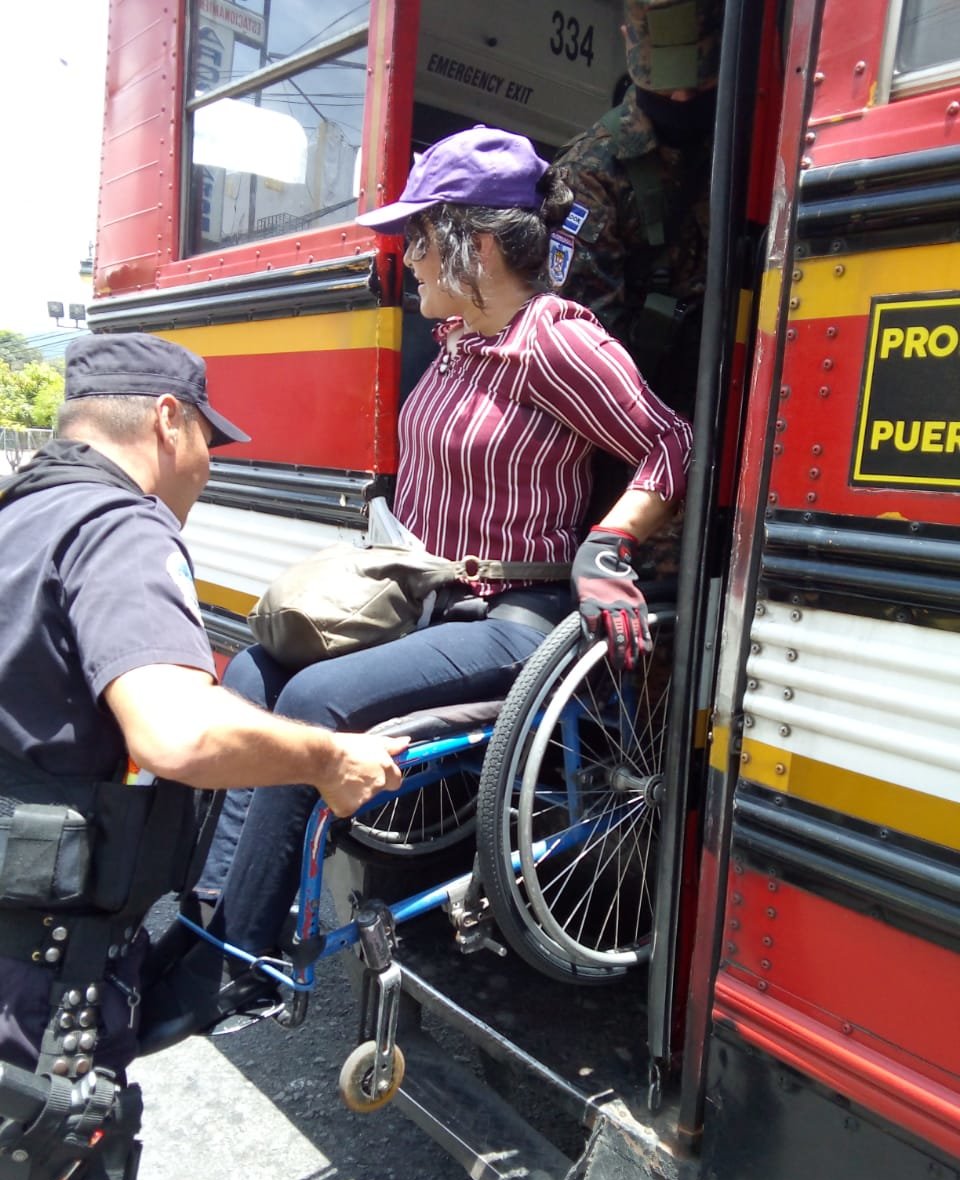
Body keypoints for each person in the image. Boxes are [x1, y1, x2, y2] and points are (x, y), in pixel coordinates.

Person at [165, 124, 693, 1018]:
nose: (406, 258)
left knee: (312, 701)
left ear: (475, 246)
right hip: (431, 598)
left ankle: (241, 961)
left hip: (513, 613)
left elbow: (669, 444)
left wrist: (609, 544)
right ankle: (207, 916)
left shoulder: (554, 342)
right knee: (252, 671)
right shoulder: (456, 341)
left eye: (419, 238)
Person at [0, 333, 406, 1180]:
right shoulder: (120, 529)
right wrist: (327, 757)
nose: (209, 469)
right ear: (167, 421)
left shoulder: (20, 515)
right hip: (39, 971)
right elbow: (177, 731)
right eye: (209, 444)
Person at [550, 0, 721, 418]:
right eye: (664, 85)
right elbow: (585, 347)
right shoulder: (592, 170)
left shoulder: (742, 137)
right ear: (627, 43)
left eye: (699, 84)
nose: (681, 98)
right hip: (638, 409)